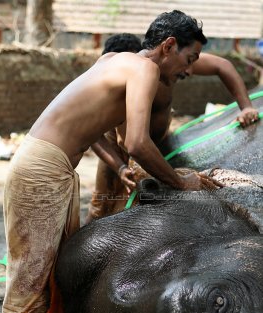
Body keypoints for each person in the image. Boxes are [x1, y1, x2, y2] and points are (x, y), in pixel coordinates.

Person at [2, 10, 222, 313]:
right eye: (189, 59)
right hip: (42, 168)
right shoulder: (144, 70)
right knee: (30, 286)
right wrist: (180, 181)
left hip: (56, 168)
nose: (189, 70)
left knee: (54, 282)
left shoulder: (113, 61)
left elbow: (95, 128)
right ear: (169, 46)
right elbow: (137, 141)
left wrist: (123, 166)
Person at [85, 39, 259, 223]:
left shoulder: (164, 67)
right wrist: (119, 167)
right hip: (126, 150)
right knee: (102, 204)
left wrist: (246, 107)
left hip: (155, 146)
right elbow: (104, 136)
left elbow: (221, 65)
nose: (189, 71)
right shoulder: (116, 82)